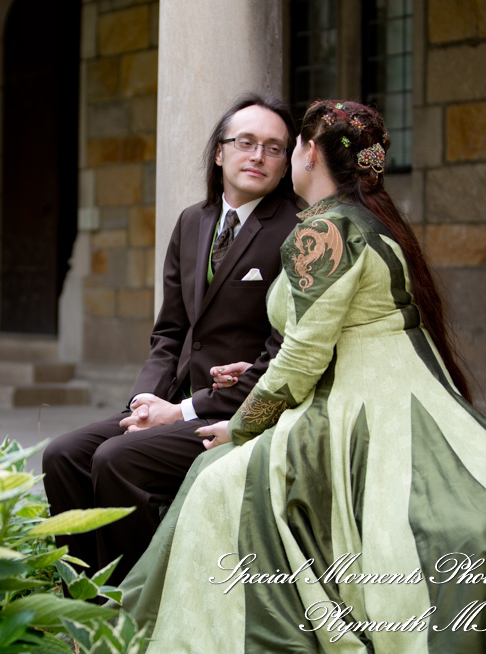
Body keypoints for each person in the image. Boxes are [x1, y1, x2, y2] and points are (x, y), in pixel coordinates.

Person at [120, 100, 486, 652]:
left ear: (309, 153)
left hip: (358, 401)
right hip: (413, 392)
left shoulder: (321, 232)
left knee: (216, 477)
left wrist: (241, 426)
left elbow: (302, 357)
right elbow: (344, 330)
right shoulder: (373, 222)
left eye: (290, 146)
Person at [42, 94, 303, 586]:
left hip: (237, 410)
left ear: (286, 162)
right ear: (220, 152)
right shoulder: (192, 221)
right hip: (175, 398)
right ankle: (83, 600)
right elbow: (170, 331)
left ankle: (134, 601)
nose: (258, 156)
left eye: (274, 148)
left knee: (116, 459)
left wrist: (181, 411)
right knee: (63, 454)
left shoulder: (297, 230)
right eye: (246, 143)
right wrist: (145, 400)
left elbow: (282, 353)